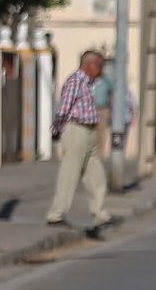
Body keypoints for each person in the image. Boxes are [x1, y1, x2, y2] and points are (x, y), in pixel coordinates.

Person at [45, 50, 113, 234]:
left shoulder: (88, 84)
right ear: (88, 65)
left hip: (89, 132)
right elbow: (64, 108)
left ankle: (100, 214)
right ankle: (56, 215)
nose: (100, 70)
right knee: (70, 174)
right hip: (76, 130)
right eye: (99, 66)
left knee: (97, 175)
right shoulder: (75, 81)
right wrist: (56, 130)